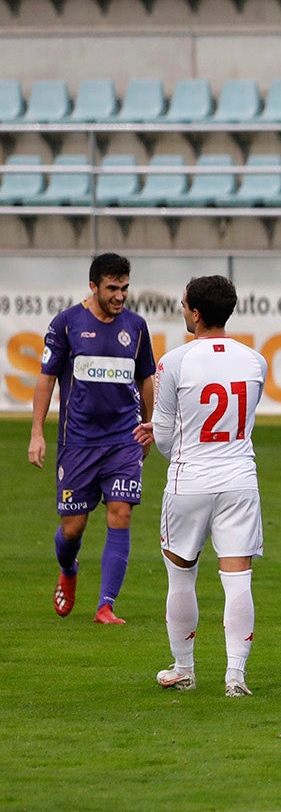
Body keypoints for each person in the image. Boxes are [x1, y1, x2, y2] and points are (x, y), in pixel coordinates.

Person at [133, 276, 268, 697]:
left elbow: (166, 437)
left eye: (184, 303)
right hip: (240, 480)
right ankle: (235, 677)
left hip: (189, 481)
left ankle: (185, 669)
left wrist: (171, 443)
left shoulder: (173, 362)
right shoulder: (254, 360)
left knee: (181, 578)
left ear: (195, 312)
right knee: (238, 580)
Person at [29, 253, 156, 625]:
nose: (120, 296)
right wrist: (37, 432)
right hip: (78, 441)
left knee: (121, 513)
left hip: (123, 439)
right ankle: (68, 569)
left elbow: (146, 378)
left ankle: (105, 605)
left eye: (125, 288)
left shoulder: (135, 326)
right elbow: (46, 378)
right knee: (74, 527)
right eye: (112, 288)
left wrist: (147, 426)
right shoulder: (67, 323)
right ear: (94, 286)